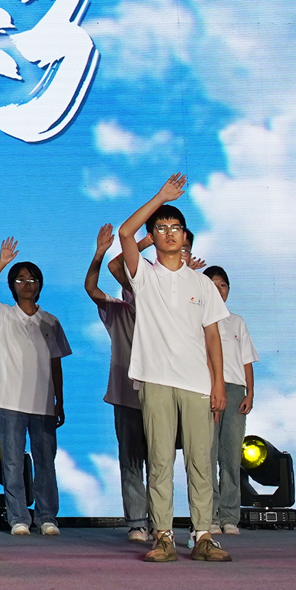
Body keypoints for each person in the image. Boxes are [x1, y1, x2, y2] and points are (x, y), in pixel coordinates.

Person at [116, 174, 230, 562]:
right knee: (160, 460)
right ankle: (163, 535)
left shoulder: (203, 284)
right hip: (156, 379)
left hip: (197, 382)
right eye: (161, 228)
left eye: (175, 228)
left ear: (185, 237)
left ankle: (203, 535)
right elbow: (125, 233)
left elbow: (212, 337)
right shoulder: (144, 275)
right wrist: (160, 197)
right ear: (153, 236)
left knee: (200, 462)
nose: (169, 233)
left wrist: (218, 384)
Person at [0, 240, 70, 538]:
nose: (27, 283)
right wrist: (2, 262)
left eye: (32, 279)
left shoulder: (51, 321)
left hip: (43, 403)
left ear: (40, 284)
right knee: (11, 461)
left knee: (45, 463)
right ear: (12, 286)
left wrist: (59, 400)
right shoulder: (3, 314)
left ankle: (47, 517)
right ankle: (18, 516)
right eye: (20, 279)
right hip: (9, 401)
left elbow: (56, 364)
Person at [85, 225, 150, 543]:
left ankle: (161, 522)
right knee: (131, 461)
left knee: (160, 462)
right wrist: (101, 252)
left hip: (158, 394)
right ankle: (138, 522)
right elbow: (97, 281)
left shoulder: (158, 311)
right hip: (125, 395)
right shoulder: (118, 310)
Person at [206, 266, 258, 536]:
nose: (218, 290)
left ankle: (229, 517)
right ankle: (209, 516)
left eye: (223, 285)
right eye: (212, 285)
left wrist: (250, 392)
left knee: (230, 455)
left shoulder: (236, 321)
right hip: (208, 389)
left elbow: (247, 360)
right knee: (207, 453)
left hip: (236, 390)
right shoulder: (198, 321)